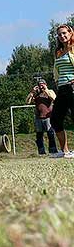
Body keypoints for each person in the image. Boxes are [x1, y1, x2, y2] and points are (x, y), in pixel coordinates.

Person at [50, 24, 74, 158]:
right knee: (55, 119)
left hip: (73, 87)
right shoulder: (58, 52)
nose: (62, 36)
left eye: (64, 33)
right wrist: (57, 82)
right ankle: (65, 151)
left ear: (70, 33)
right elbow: (57, 70)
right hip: (63, 88)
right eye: (59, 34)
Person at [25, 79, 57, 155]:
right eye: (39, 84)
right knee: (39, 136)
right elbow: (27, 101)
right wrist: (32, 92)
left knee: (50, 134)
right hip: (38, 117)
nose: (41, 86)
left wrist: (46, 90)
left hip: (48, 117)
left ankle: (53, 150)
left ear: (46, 84)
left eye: (42, 84)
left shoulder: (50, 91)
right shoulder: (36, 94)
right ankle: (41, 151)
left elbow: (54, 98)